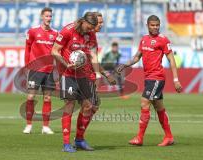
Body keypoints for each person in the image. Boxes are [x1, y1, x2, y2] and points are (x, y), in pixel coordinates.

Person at [116, 15, 182, 146]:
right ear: (147, 25)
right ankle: (169, 137)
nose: (155, 27)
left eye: (157, 25)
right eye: (152, 25)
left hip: (156, 77)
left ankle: (139, 138)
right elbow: (136, 57)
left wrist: (176, 80)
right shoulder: (144, 39)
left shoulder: (163, 40)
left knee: (144, 102)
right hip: (148, 78)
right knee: (159, 107)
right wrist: (125, 65)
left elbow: (171, 60)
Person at [52, 12, 101, 152]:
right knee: (69, 105)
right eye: (89, 27)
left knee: (88, 106)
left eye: (93, 28)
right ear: (83, 21)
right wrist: (66, 64)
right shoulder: (68, 30)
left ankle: (79, 139)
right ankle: (66, 143)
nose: (91, 30)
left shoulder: (91, 34)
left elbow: (93, 54)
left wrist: (97, 74)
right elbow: (54, 51)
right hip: (67, 73)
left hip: (83, 75)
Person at [74, 12, 117, 152]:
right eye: (98, 22)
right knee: (90, 106)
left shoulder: (92, 37)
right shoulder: (79, 33)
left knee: (93, 106)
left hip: (89, 75)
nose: (101, 25)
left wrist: (103, 74)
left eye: (102, 22)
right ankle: (78, 139)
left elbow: (94, 59)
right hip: (79, 75)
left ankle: (78, 138)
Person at [23, 7, 58, 134]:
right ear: (42, 17)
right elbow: (27, 48)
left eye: (50, 16)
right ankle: (28, 124)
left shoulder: (55, 34)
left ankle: (46, 126)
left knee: (47, 98)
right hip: (35, 69)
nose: (49, 18)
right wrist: (26, 65)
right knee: (31, 96)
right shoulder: (33, 31)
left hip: (49, 70)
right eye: (47, 16)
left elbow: (58, 50)